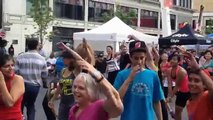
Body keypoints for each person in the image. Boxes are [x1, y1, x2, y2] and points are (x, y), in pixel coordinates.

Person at [64, 47, 123, 120]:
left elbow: (117, 103)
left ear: (90, 90)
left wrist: (98, 76)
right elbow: (81, 62)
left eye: (81, 88)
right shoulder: (73, 110)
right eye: (75, 87)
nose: (76, 90)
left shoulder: (98, 106)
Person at [113, 40, 164, 120]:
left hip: (147, 117)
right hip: (128, 117)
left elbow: (156, 101)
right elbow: (117, 98)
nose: (139, 61)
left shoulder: (152, 75)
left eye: (142, 58)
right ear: (130, 57)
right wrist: (129, 79)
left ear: (145, 57)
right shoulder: (122, 75)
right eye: (136, 58)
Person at [15, 39, 48, 120]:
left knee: (20, 105)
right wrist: (44, 83)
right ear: (37, 46)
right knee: (31, 105)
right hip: (34, 86)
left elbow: (16, 72)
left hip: (21, 85)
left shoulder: (20, 57)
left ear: (27, 46)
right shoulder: (42, 59)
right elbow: (44, 74)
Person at [48, 51, 78, 120]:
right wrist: (52, 99)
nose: (62, 59)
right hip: (64, 102)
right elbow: (60, 86)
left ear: (71, 59)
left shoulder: (75, 71)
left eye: (64, 58)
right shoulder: (63, 70)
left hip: (74, 102)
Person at [184, 52, 213, 120]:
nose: (192, 83)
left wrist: (198, 69)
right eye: (190, 80)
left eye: (197, 81)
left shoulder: (207, 97)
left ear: (205, 85)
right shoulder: (188, 102)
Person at [0, 54, 25, 120]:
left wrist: (2, 82)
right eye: (7, 66)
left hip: (13, 117)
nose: (11, 68)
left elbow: (9, 103)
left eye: (12, 65)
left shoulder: (18, 79)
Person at [167, 54, 190, 120]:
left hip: (187, 92)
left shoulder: (181, 71)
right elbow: (169, 84)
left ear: (178, 62)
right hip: (180, 91)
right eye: (171, 59)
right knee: (178, 111)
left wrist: (170, 97)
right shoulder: (169, 70)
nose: (172, 61)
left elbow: (177, 86)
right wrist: (169, 96)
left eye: (174, 59)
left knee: (179, 111)